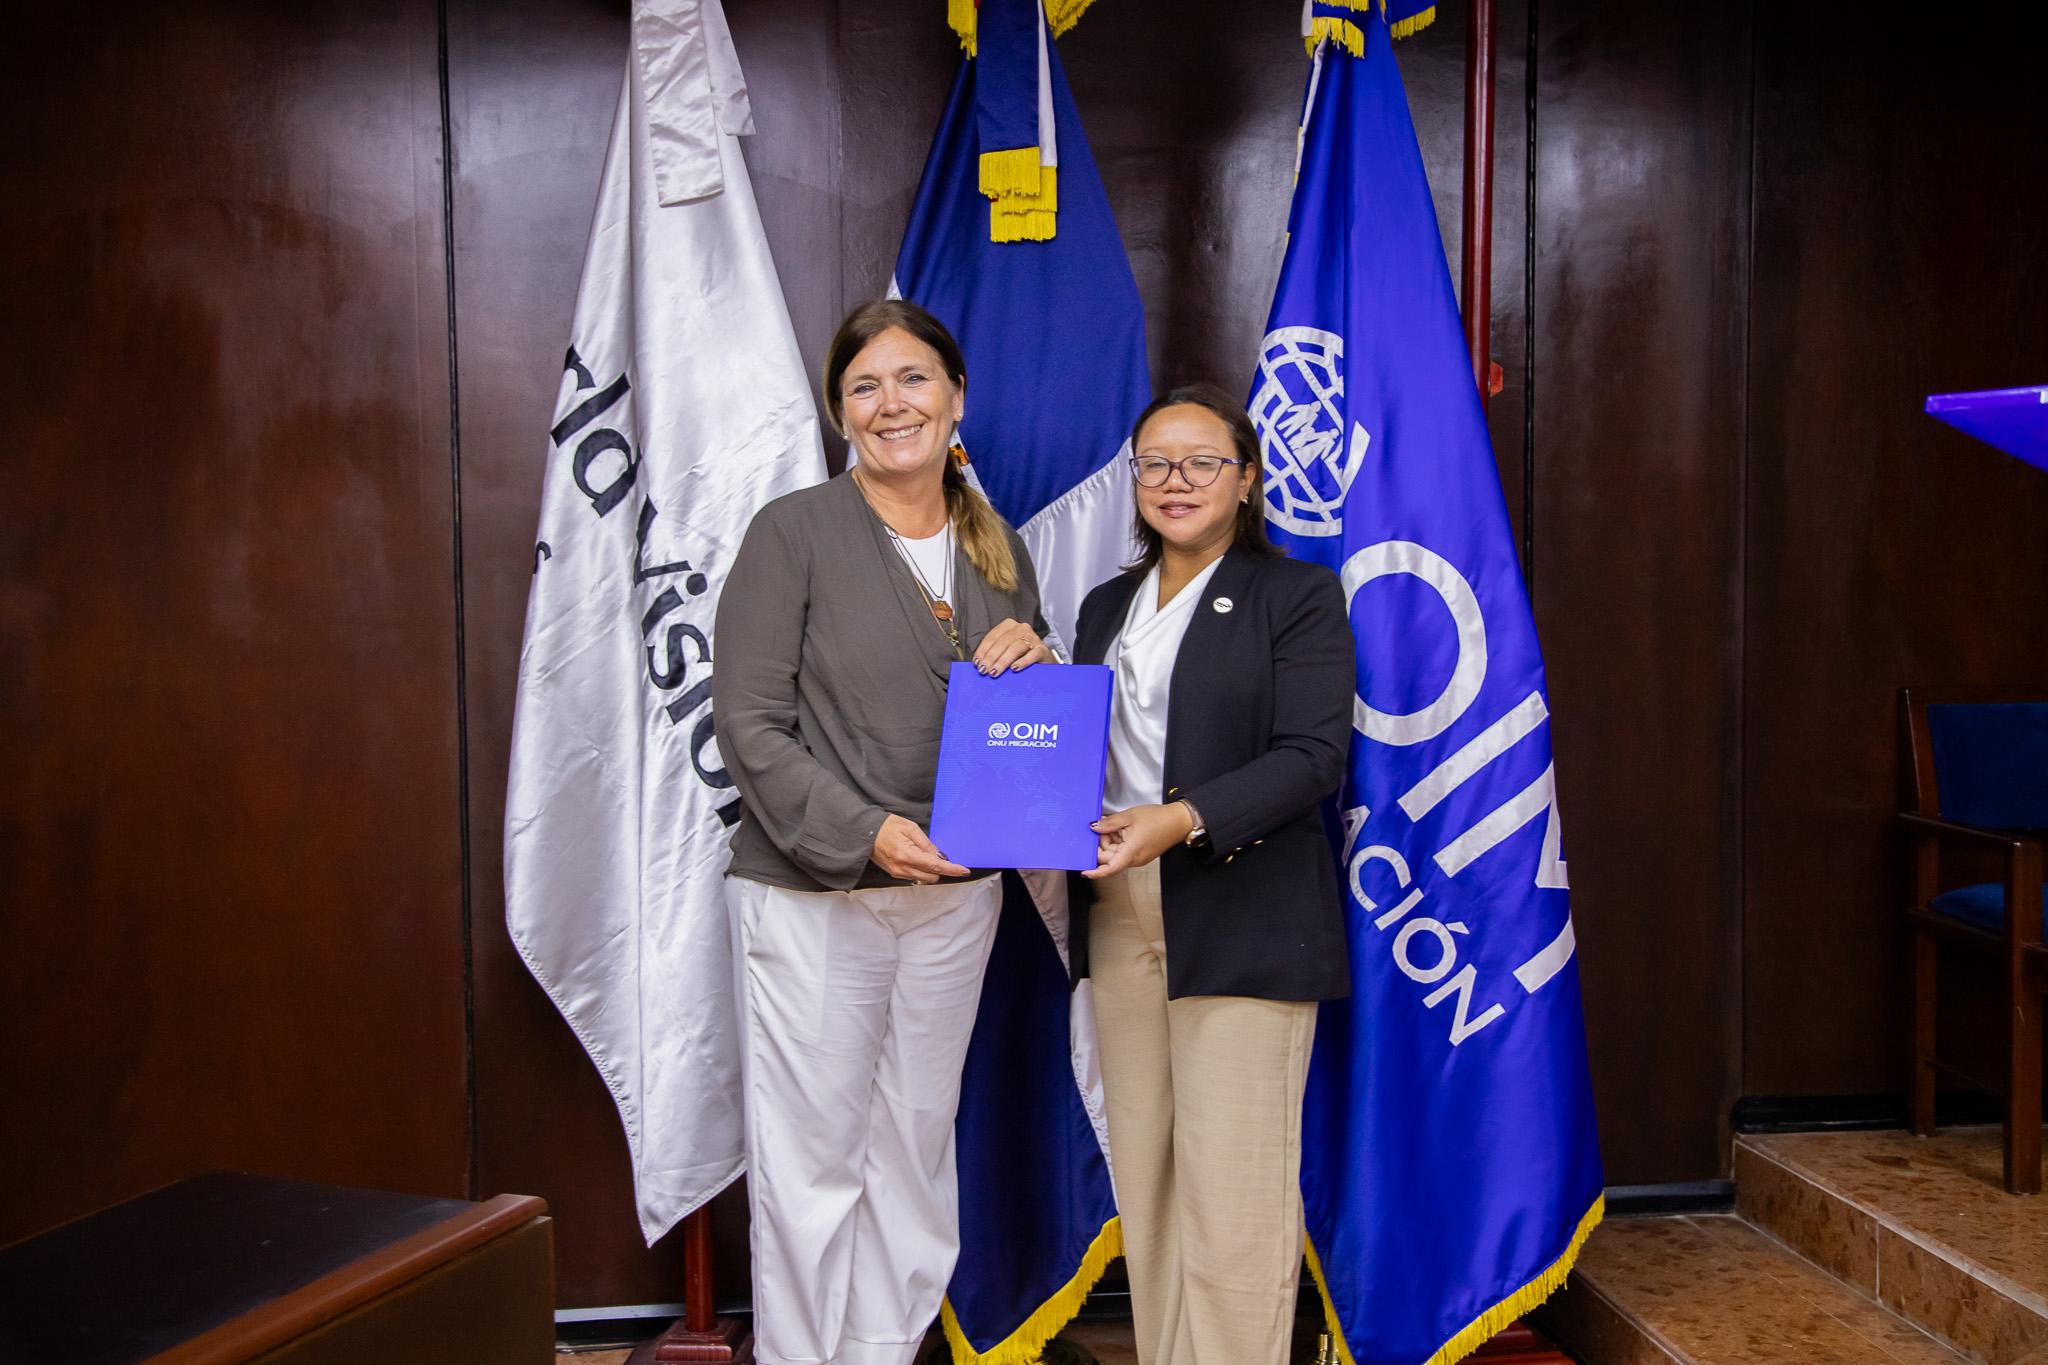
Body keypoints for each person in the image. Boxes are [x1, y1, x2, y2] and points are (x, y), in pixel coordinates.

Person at [712, 299, 1056, 1365]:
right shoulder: (792, 533)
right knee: (811, 1157)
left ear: (956, 398)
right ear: (839, 412)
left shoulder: (997, 548)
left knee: (913, 1143)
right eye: (864, 385)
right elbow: (748, 725)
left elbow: (1024, 725)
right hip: (815, 895)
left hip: (958, 897)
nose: (890, 403)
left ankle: (881, 1349)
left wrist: (1038, 662)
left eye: (913, 379)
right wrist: (866, 833)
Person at [1069, 384, 1356, 1365]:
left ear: (1246, 480)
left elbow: (1313, 757)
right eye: (1155, 462)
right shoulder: (1104, 606)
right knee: (1148, 1184)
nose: (1176, 480)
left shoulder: (1296, 595)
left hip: (1242, 910)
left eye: (1202, 461)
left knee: (1233, 1191)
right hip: (1116, 911)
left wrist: (1180, 820)